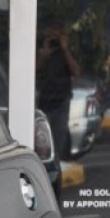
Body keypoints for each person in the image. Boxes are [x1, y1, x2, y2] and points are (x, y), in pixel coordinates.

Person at [36, 25, 81, 161]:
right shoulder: (42, 50)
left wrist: (65, 49)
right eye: (51, 36)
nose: (54, 40)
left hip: (61, 101)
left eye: (57, 36)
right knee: (42, 139)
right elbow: (31, 70)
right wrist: (44, 55)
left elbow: (76, 72)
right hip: (45, 101)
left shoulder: (67, 53)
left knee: (59, 138)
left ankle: (58, 162)